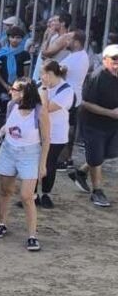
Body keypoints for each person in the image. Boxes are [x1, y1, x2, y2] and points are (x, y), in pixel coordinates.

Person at [0, 77, 50, 251]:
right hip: (9, 150)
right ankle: (2, 223)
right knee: (5, 190)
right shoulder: (11, 106)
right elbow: (8, 127)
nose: (10, 92)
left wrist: (43, 164)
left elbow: (46, 139)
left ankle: (32, 235)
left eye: (14, 89)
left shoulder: (40, 111)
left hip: (30, 154)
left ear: (25, 93)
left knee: (26, 196)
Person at [68, 44, 118, 208]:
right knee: (96, 154)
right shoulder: (96, 77)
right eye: (114, 59)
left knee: (106, 152)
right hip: (93, 123)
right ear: (105, 60)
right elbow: (85, 104)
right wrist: (110, 113)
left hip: (112, 124)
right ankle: (97, 191)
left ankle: (80, 172)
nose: (117, 63)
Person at [32, 61, 74, 209]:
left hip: (56, 134)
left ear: (49, 75)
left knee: (48, 164)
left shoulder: (66, 90)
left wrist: (43, 89)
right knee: (34, 163)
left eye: (42, 75)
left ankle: (46, 194)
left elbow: (47, 108)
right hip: (37, 131)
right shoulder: (38, 85)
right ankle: (33, 194)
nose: (40, 78)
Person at [58, 30, 90, 170]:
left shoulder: (75, 58)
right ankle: (67, 159)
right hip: (73, 96)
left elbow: (57, 72)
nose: (66, 42)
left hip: (69, 96)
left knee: (65, 129)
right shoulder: (81, 56)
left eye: (69, 39)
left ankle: (63, 160)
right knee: (69, 127)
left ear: (76, 42)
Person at [0, 26, 33, 120]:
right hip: (2, 87)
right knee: (0, 114)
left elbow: (25, 75)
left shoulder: (25, 55)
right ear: (8, 38)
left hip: (18, 88)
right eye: (12, 37)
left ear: (22, 39)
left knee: (14, 112)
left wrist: (17, 86)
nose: (15, 40)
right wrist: (6, 85)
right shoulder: (3, 53)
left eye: (18, 37)